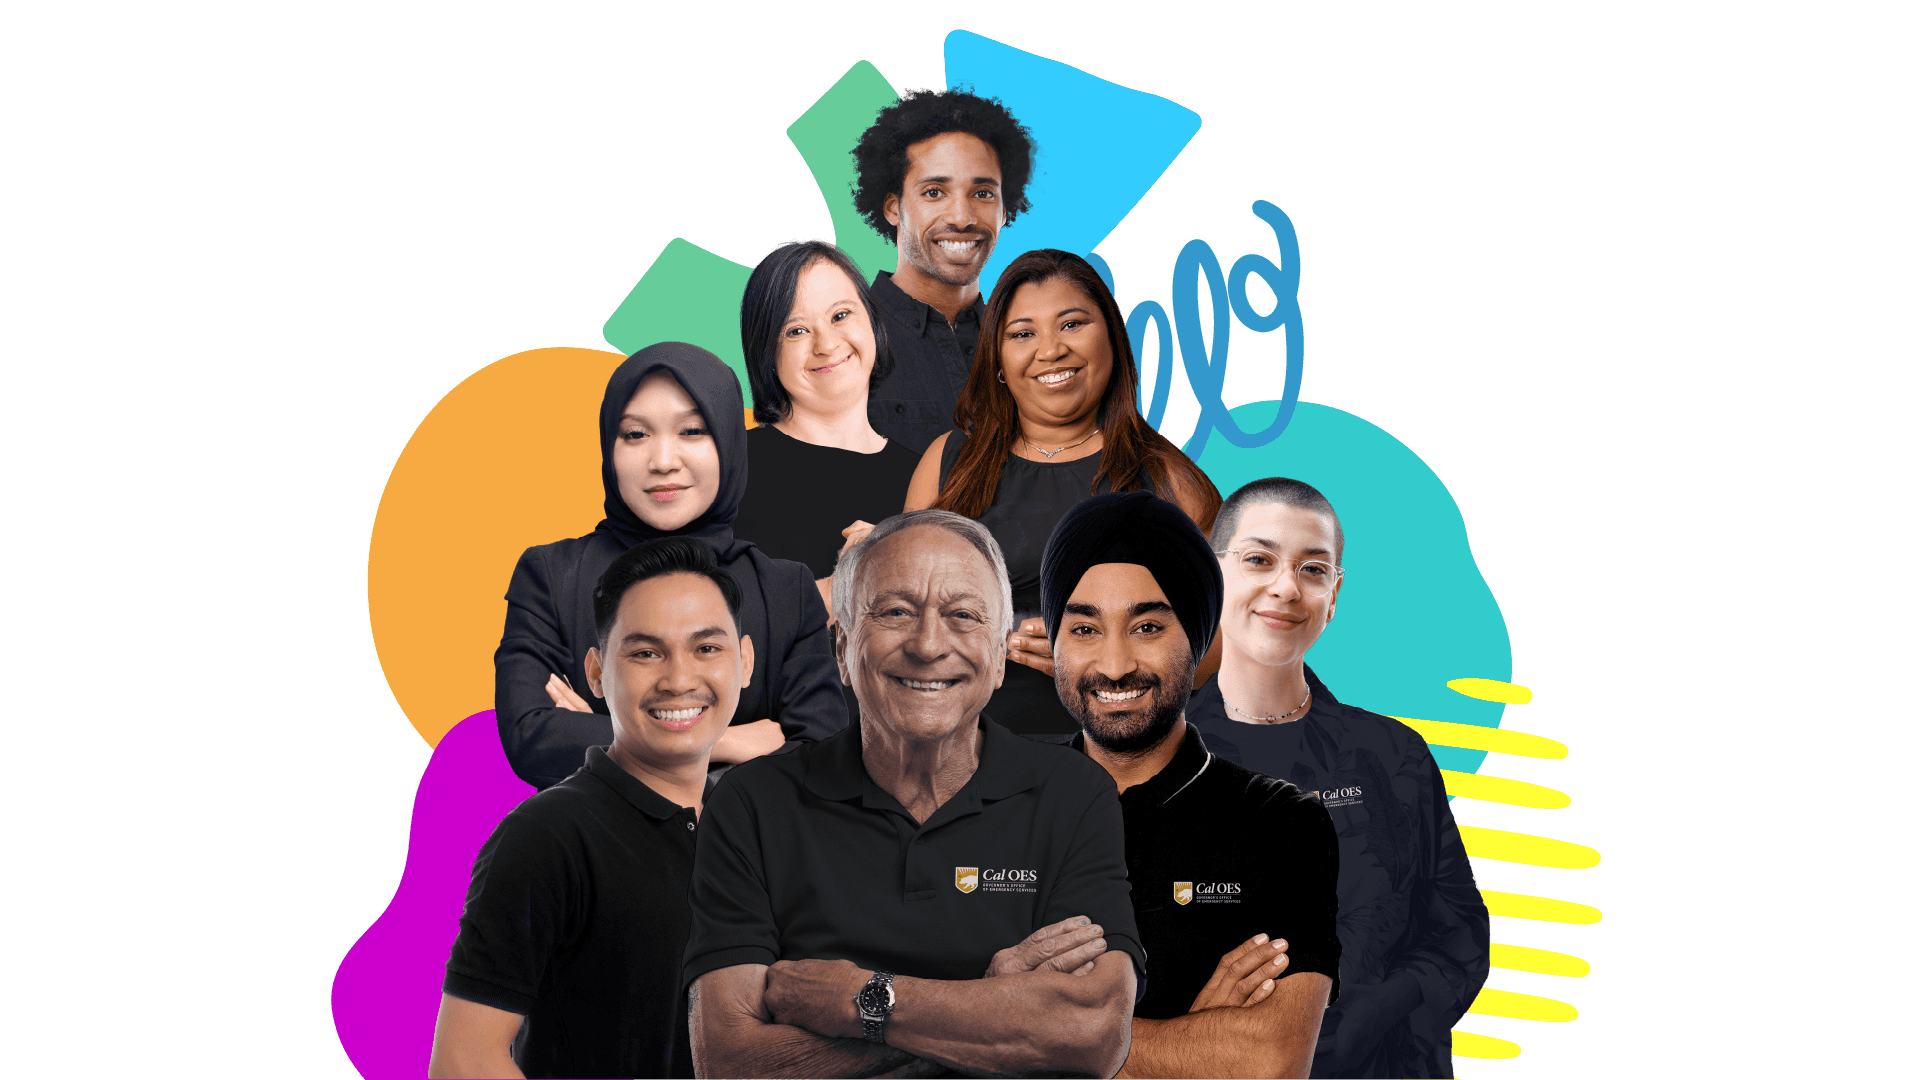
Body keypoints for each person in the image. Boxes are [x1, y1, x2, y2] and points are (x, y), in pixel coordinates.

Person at [683, 511, 1141, 1079]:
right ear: (843, 647)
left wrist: (862, 999)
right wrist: (990, 1002)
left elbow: (1092, 1034)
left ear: (1000, 657)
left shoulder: (1073, 792)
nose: (928, 645)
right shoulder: (751, 803)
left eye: (963, 616)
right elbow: (729, 1062)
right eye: (895, 612)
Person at [1188, 478, 1490, 1079]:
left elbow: (1458, 930)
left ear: (1335, 595)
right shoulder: (1156, 760)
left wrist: (1380, 1012)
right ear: (1210, 574)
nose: (1285, 587)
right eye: (1259, 560)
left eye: (1313, 569)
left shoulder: (1393, 756)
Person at [1039, 490, 1342, 1079]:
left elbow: (1270, 1060)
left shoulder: (1281, 824)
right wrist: (1195, 1047)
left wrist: (1018, 1024)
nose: (1115, 663)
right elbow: (917, 1034)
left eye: (1147, 625)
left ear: (1198, 636)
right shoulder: (986, 801)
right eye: (1083, 628)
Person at [430, 537, 755, 1079]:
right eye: (646, 652)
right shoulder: (546, 836)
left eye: (706, 648)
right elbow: (465, 1061)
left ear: (743, 662)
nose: (679, 679)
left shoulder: (754, 826)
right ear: (597, 672)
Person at [494, 341, 847, 790]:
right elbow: (532, 740)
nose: (663, 462)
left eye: (692, 431)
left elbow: (818, 761)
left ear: (728, 441)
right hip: (595, 855)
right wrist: (725, 743)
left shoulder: (783, 589)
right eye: (636, 434)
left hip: (745, 858)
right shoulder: (551, 575)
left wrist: (610, 744)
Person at [904, 248, 1223, 737]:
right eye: (1022, 334)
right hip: (953, 761)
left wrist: (1092, 658)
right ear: (998, 363)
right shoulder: (948, 463)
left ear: (1112, 339)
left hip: (1109, 764)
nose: (1050, 350)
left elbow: (1223, 652)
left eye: (1072, 325)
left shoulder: (1168, 481)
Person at [730, 240, 921, 601]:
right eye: (796, 331)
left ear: (873, 323)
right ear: (765, 353)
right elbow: (702, 628)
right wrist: (840, 589)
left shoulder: (925, 475)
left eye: (840, 315)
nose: (827, 344)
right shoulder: (729, 470)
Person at [851, 88, 1034, 454]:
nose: (962, 218)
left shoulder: (1027, 342)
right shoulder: (843, 338)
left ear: (1006, 210)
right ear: (893, 207)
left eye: (983, 193)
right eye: (934, 192)